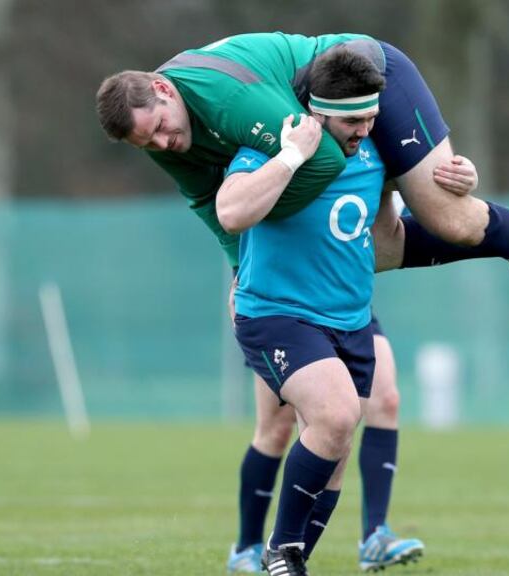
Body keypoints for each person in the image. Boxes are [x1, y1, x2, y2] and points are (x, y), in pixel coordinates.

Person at [95, 32, 509, 368]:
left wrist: (264, 221)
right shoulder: (164, 135)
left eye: (160, 128)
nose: (161, 144)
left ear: (163, 89)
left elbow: (321, 160)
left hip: (368, 79)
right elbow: (214, 211)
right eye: (147, 143)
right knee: (374, 250)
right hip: (327, 123)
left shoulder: (225, 99)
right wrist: (241, 271)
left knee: (451, 218)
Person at [219, 46, 392, 575]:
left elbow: (390, 238)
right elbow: (230, 211)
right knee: (329, 416)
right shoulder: (273, 147)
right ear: (318, 112)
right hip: (276, 315)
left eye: (371, 118)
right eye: (352, 120)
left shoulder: (375, 155)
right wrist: (291, 156)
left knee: (334, 454)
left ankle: (290, 560)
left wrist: (460, 183)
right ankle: (274, 549)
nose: (364, 129)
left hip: (350, 322)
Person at [227, 318, 424, 573]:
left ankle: (374, 534)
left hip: (347, 306)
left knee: (382, 403)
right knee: (277, 430)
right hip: (287, 308)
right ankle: (249, 547)